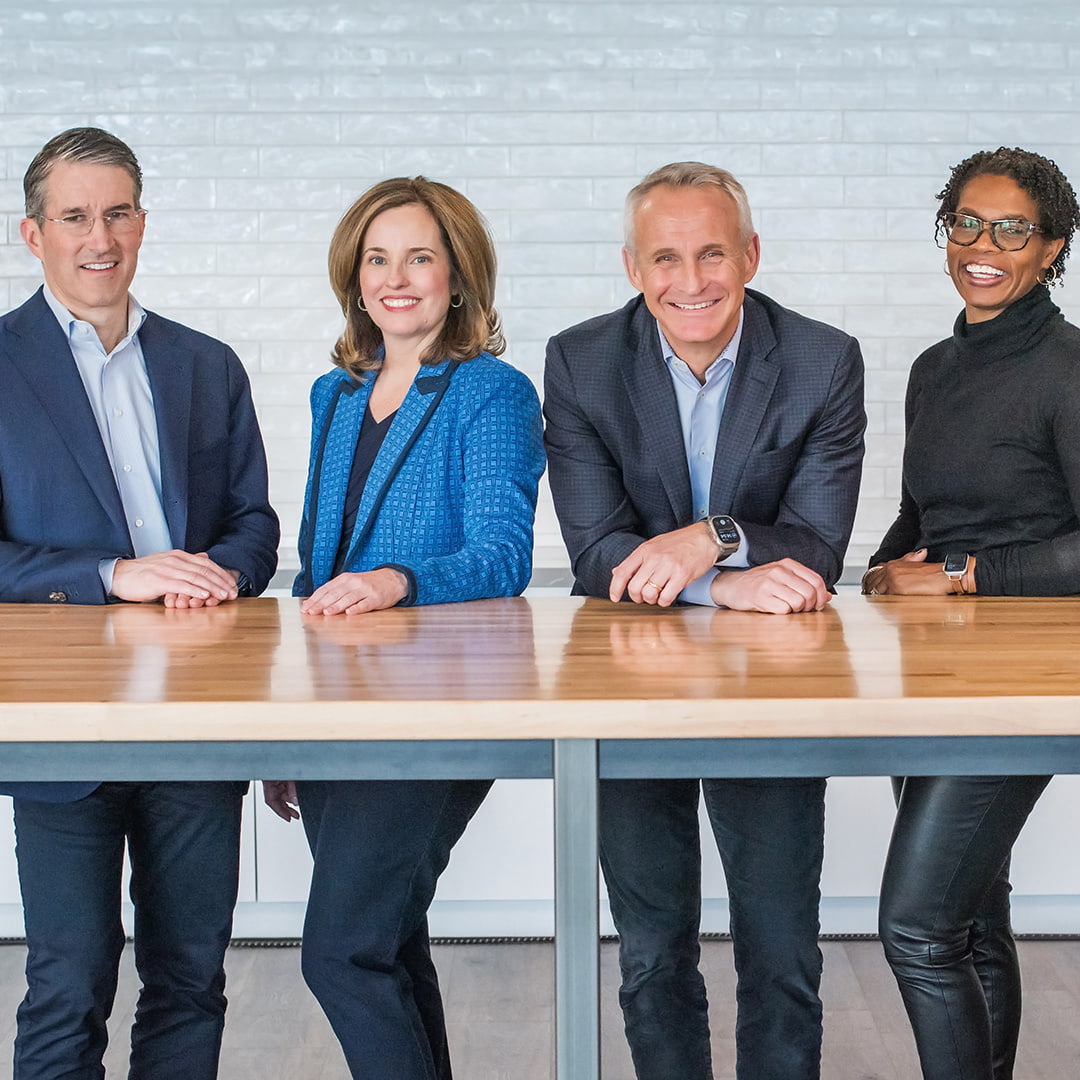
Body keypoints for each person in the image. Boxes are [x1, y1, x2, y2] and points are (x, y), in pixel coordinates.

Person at [544, 161, 865, 1080]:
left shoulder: (820, 360)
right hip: (627, 679)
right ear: (633, 267)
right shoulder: (578, 362)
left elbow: (817, 549)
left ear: (752, 255)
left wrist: (711, 535)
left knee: (781, 954)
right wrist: (719, 582)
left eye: (714, 252)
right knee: (651, 954)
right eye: (667, 258)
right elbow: (599, 549)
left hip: (773, 685)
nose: (692, 281)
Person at [0, 127, 279, 1079]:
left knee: (191, 978)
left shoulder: (207, 364)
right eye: (74, 216)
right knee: (70, 980)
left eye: (116, 212)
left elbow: (254, 525)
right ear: (33, 235)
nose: (99, 236)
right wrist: (116, 574)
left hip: (196, 716)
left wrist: (219, 571)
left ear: (143, 222)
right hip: (61, 727)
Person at [262, 176, 544, 1079]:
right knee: (387, 946)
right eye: (378, 258)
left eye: (420, 256)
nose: (397, 277)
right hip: (338, 712)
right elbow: (315, 572)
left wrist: (395, 579)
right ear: (355, 276)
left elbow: (502, 555)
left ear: (458, 276)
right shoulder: (335, 395)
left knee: (339, 952)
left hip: (436, 714)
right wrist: (288, 727)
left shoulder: (491, 392)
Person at [863, 146, 1080, 1080]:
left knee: (915, 925)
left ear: (1053, 250)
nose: (983, 246)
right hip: (932, 674)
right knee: (969, 915)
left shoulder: (1070, 370)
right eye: (966, 223)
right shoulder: (932, 367)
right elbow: (927, 510)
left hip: (1018, 680)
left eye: (1012, 230)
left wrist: (955, 575)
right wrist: (878, 567)